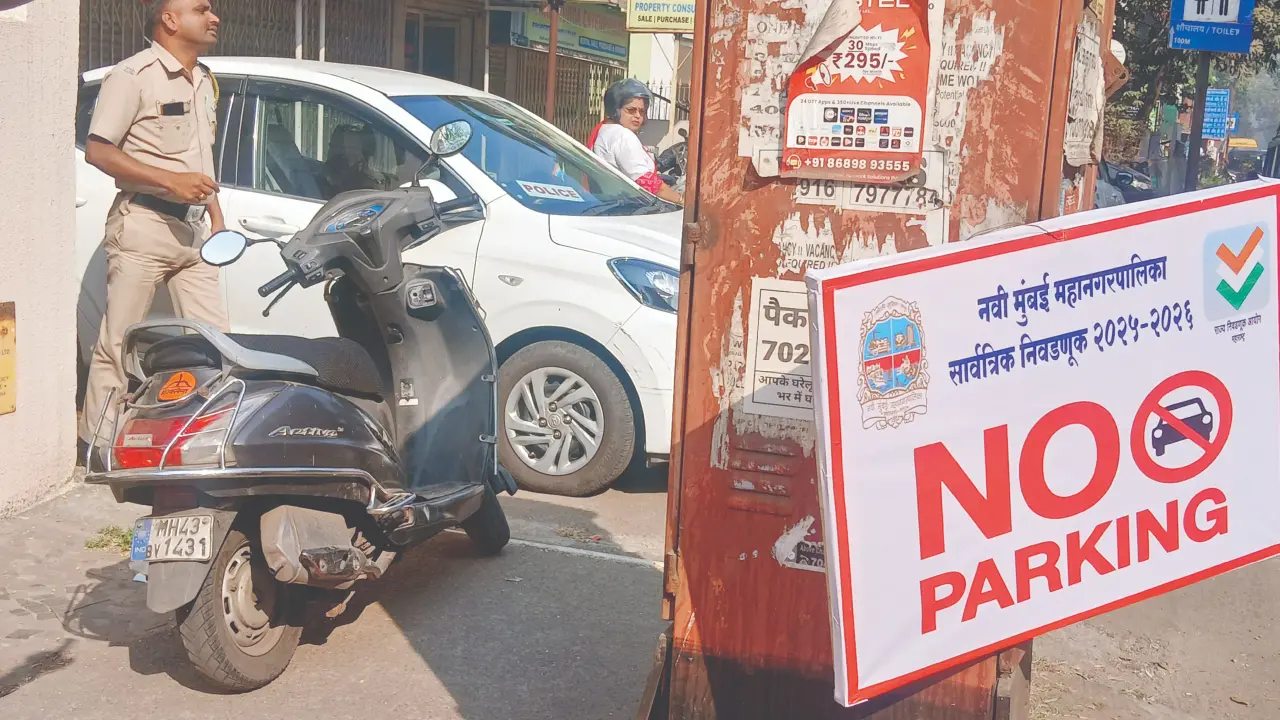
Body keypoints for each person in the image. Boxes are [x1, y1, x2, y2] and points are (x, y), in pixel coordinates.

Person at [79, 0, 227, 452]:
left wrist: (218, 219)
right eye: (202, 9)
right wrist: (169, 181)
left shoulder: (204, 79)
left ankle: (206, 438)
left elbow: (201, 159)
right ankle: (100, 445)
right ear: (170, 20)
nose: (214, 17)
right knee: (120, 343)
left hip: (195, 233)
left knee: (217, 342)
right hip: (144, 223)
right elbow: (99, 151)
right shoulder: (133, 75)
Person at [587, 79, 683, 205]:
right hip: (627, 206)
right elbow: (645, 181)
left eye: (642, 111)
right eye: (631, 110)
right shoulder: (623, 136)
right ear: (616, 110)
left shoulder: (605, 130)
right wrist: (680, 199)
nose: (638, 116)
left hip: (608, 201)